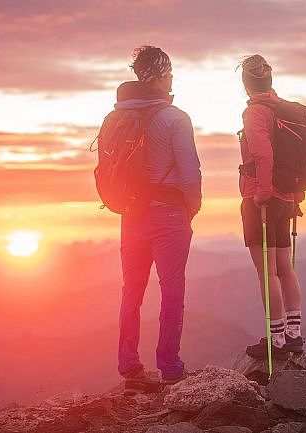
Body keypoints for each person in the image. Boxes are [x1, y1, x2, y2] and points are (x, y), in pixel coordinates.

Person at [115, 46, 202, 393]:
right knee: (172, 289)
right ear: (164, 76)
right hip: (168, 213)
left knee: (131, 291)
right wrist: (190, 209)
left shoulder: (117, 117)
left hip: (130, 214)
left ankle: (128, 366)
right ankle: (169, 367)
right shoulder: (175, 117)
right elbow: (190, 172)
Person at [237, 54, 304, 360]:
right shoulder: (286, 112)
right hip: (288, 199)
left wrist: (262, 193)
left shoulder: (255, 113)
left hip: (262, 200)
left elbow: (262, 155)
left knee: (267, 272)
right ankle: (294, 334)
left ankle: (275, 340)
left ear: (246, 84)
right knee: (285, 268)